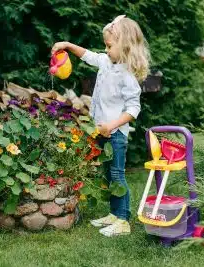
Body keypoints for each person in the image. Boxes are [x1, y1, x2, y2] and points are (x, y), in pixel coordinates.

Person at [51, 15, 150, 237]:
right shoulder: (106, 62)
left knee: (117, 174)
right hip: (102, 130)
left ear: (124, 45)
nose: (106, 50)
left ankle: (124, 221)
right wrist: (66, 45)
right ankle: (114, 214)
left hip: (115, 134)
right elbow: (87, 55)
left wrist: (112, 125)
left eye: (109, 46)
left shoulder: (127, 75)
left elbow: (134, 109)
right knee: (108, 175)